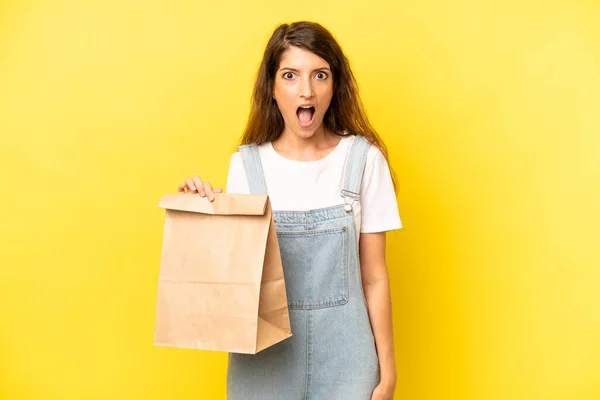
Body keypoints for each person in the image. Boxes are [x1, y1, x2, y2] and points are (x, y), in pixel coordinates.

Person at [177, 21, 402, 400]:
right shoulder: (247, 166)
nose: (306, 90)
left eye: (320, 74)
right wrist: (203, 213)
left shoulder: (365, 160)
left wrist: (389, 372)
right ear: (272, 89)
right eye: (290, 75)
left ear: (335, 85)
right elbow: (232, 282)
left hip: (348, 358)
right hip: (264, 358)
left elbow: (375, 277)